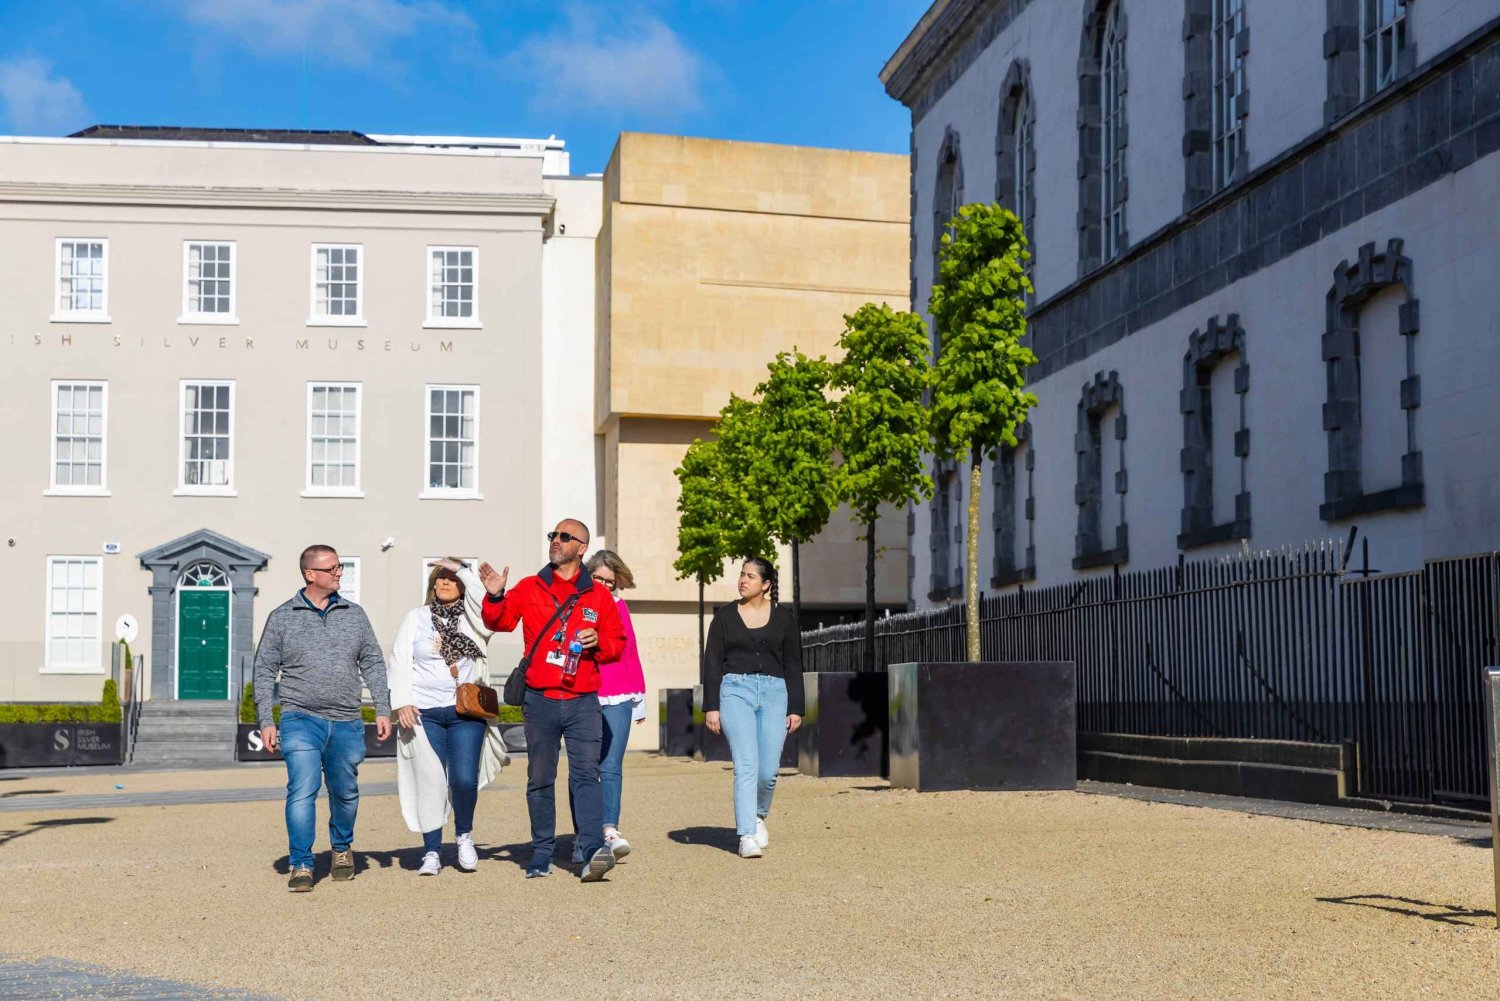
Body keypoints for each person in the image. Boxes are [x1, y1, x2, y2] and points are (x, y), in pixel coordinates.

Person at [478, 518, 626, 882]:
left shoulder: (599, 596)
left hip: (583, 701)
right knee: (540, 777)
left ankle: (591, 851)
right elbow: (499, 621)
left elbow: (617, 644)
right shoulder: (530, 587)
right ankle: (542, 851)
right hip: (540, 700)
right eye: (553, 535)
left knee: (586, 776)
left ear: (581, 548)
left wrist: (599, 642)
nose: (555, 541)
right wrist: (496, 595)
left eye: (564, 537)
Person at [253, 545, 391, 892]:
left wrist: (383, 708)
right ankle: (301, 862)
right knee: (302, 789)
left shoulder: (355, 614)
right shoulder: (282, 617)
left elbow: (372, 661)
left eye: (340, 567)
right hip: (300, 718)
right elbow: (264, 669)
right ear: (310, 574)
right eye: (332, 569)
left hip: (347, 721)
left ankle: (341, 848)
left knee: (345, 793)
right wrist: (266, 720)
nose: (339, 573)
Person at [389, 558, 511, 876]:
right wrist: (402, 702)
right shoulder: (415, 618)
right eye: (439, 578)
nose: (444, 582)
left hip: (465, 712)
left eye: (450, 579)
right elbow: (399, 659)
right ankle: (431, 850)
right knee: (430, 781)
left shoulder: (476, 621)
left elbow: (482, 600)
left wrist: (462, 570)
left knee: (462, 779)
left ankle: (464, 836)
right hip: (423, 714)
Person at [702, 557, 803, 859]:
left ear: (766, 584)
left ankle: (758, 814)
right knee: (746, 765)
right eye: (741, 574)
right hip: (735, 691)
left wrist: (796, 706)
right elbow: (711, 663)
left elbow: (794, 664)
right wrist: (711, 706)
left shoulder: (784, 618)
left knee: (769, 771)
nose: (743, 580)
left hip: (775, 693)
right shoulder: (724, 617)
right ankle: (746, 834)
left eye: (750, 576)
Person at [567, 550, 646, 862]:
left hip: (619, 692)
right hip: (583, 692)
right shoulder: (574, 603)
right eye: (597, 578)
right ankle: (582, 837)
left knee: (611, 766)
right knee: (583, 769)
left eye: (609, 581)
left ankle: (609, 830)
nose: (602, 584)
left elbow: (630, 650)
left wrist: (639, 697)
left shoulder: (618, 606)